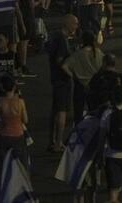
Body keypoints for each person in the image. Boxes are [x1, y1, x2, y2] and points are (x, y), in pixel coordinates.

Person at [46, 14, 78, 152]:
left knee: (55, 111)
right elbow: (60, 61)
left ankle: (52, 140)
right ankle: (58, 142)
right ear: (68, 24)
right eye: (75, 23)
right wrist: (72, 74)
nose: (77, 26)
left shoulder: (55, 36)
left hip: (55, 78)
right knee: (62, 112)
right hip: (62, 81)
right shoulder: (62, 41)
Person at [0, 74, 29, 167]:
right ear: (14, 87)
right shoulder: (20, 102)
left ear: (3, 89)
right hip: (17, 135)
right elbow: (26, 120)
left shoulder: (0, 103)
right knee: (21, 165)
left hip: (3, 136)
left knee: (5, 165)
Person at [62, 30, 105, 118]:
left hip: (80, 84)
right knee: (94, 111)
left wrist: (73, 76)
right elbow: (104, 65)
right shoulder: (98, 53)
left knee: (78, 111)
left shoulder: (78, 54)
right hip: (94, 84)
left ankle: (78, 128)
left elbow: (64, 66)